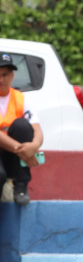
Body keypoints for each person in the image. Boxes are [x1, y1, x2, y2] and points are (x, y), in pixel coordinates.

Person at [0, 52, 44, 205]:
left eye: (5, 74)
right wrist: (22, 150)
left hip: (12, 156)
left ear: (12, 75)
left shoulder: (21, 98)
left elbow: (37, 130)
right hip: (10, 152)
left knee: (22, 126)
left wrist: (34, 146)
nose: (1, 80)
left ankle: (21, 187)